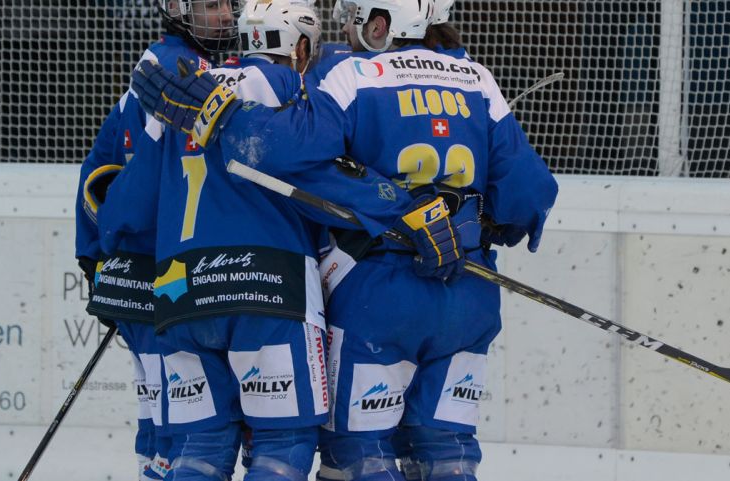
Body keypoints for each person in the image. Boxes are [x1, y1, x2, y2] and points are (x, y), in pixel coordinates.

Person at [129, 0, 560, 480]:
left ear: (381, 22)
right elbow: (531, 194)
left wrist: (222, 115)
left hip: (377, 291)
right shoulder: (477, 78)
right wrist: (484, 225)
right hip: (468, 291)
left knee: (359, 456)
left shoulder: (354, 75)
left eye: (355, 13)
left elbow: (292, 152)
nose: (346, 24)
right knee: (449, 450)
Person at [74, 1, 238, 479]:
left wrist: (95, 261)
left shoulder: (156, 68)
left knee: (160, 418)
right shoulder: (175, 73)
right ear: (178, 9)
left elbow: (96, 175)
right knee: (187, 429)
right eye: (212, 5)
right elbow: (122, 180)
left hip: (139, 272)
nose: (225, 15)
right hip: (164, 275)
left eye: (229, 4)